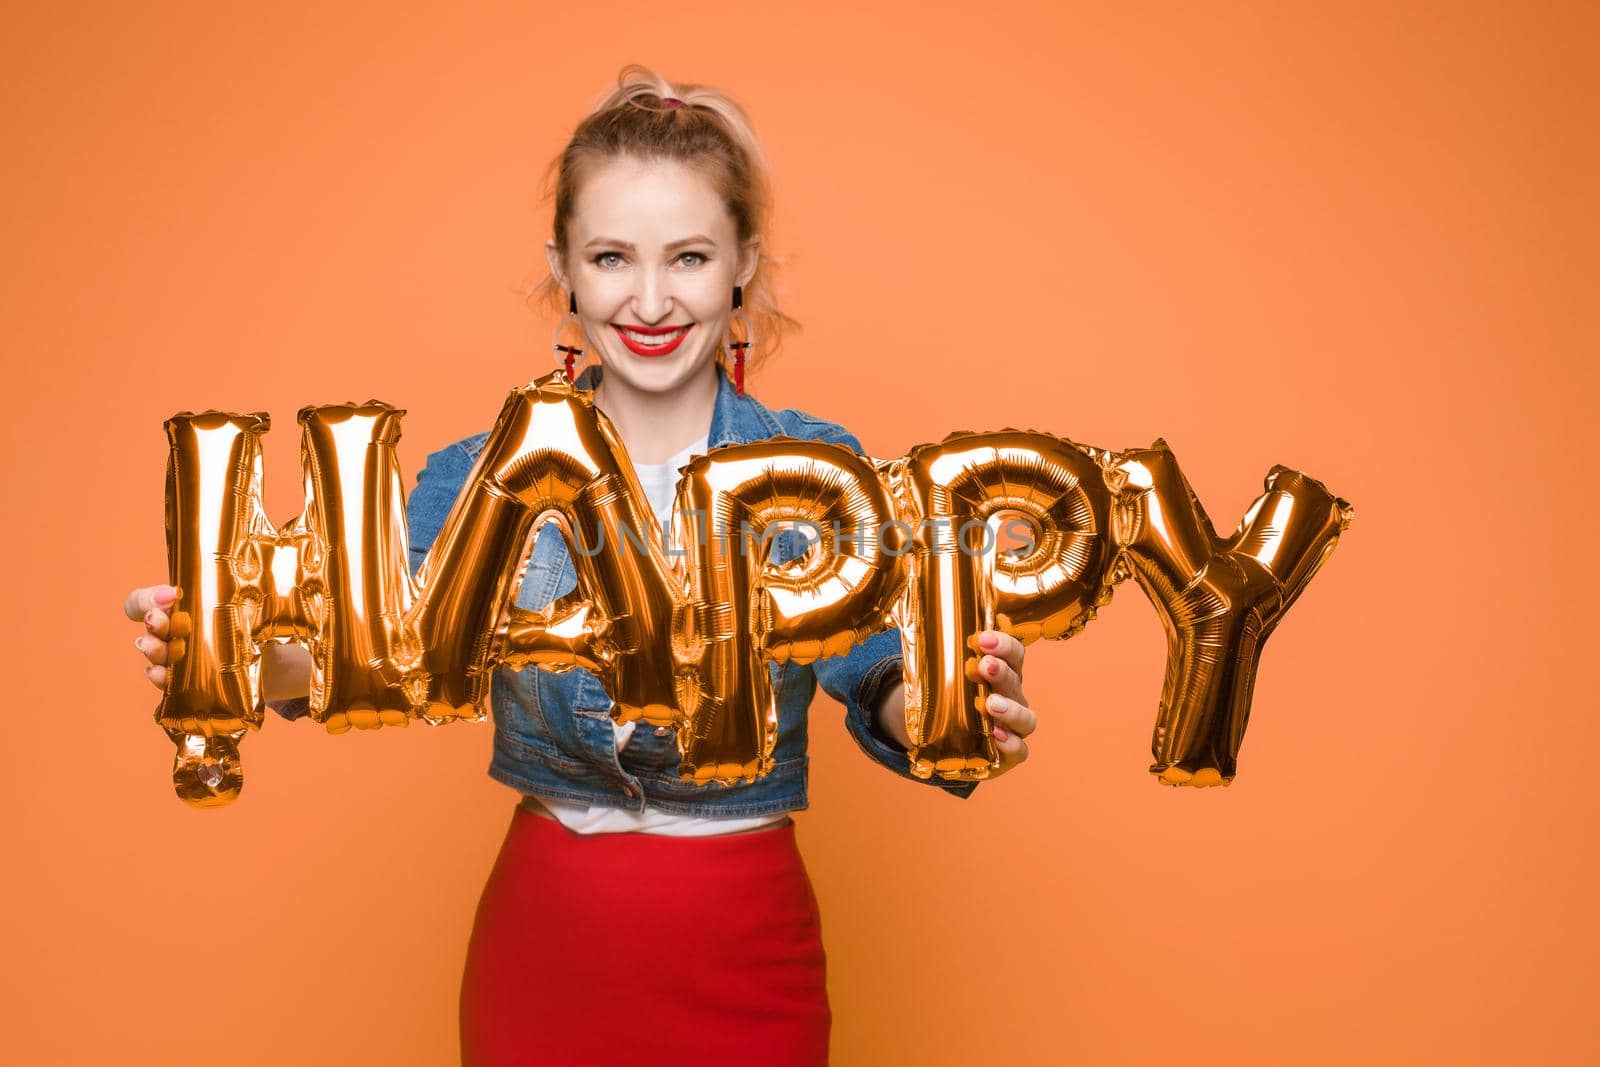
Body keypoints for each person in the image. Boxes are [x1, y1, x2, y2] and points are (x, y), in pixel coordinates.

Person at [122, 65, 1039, 1066]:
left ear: (741, 267)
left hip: (748, 948)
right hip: (548, 948)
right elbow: (380, 651)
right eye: (611, 257)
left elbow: (879, 670)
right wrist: (232, 659)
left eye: (688, 257)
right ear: (563, 265)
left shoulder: (813, 467)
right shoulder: (478, 476)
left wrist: (962, 709)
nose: (649, 298)